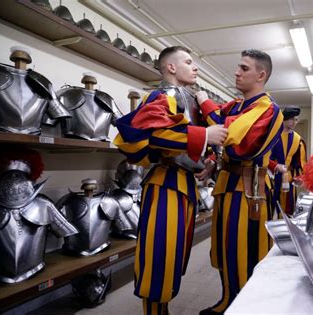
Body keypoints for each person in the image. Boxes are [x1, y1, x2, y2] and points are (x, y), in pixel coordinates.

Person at [113, 46, 227, 315]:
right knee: (158, 255)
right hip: (165, 184)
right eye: (189, 62)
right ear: (171, 68)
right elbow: (147, 136)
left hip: (185, 184)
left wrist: (210, 160)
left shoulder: (188, 98)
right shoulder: (163, 95)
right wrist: (203, 136)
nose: (195, 67)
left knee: (174, 256)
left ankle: (162, 309)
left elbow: (195, 141)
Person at [195, 49, 284, 314]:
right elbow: (218, 131)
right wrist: (212, 160)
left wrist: (204, 101)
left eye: (244, 68)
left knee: (244, 252)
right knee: (222, 250)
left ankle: (245, 307)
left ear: (261, 74)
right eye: (238, 67)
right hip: (226, 185)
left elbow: (230, 136)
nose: (237, 72)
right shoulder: (235, 105)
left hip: (249, 191)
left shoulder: (269, 109)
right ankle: (227, 300)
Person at [269, 106, 307, 217]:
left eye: (297, 119)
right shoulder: (272, 135)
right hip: (271, 177)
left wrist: (299, 177)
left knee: (287, 211)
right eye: (294, 119)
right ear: (286, 118)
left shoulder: (297, 139)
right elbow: (265, 156)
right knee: (269, 209)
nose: (296, 122)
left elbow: (300, 161)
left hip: (288, 179)